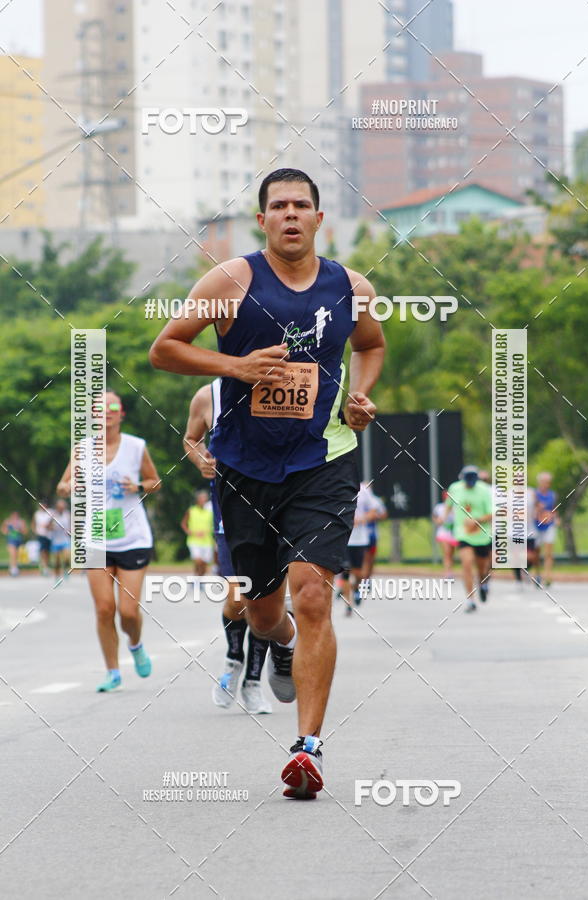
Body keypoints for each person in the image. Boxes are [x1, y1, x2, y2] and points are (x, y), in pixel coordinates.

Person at [150, 167, 384, 798]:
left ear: (318, 218)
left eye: (300, 205)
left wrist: (360, 395)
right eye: (278, 206)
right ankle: (278, 645)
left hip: (322, 462)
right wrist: (236, 366)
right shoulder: (229, 281)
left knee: (313, 596)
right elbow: (165, 349)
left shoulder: (351, 287)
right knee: (262, 612)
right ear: (262, 220)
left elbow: (371, 345)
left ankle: (308, 749)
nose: (290, 215)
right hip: (244, 468)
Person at [57, 391, 161, 692]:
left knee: (128, 612)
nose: (106, 412)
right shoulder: (82, 450)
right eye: (100, 408)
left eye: (112, 407)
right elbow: (63, 485)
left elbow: (155, 481)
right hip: (96, 538)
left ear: (121, 414)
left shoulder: (135, 446)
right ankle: (112, 671)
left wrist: (138, 485)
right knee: (104, 609)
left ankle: (135, 644)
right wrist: (68, 487)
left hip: (132, 537)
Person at [183, 378, 272, 714]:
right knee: (238, 598)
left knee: (264, 603)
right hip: (230, 513)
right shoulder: (209, 394)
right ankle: (234, 657)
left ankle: (253, 681)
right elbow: (191, 439)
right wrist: (201, 460)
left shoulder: (285, 385)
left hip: (275, 510)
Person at [445, 466, 493, 613]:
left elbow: (492, 513)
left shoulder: (484, 490)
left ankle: (483, 583)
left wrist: (476, 521)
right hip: (463, 534)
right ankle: (471, 600)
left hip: (482, 535)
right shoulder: (455, 488)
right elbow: (448, 506)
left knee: (482, 568)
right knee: (466, 563)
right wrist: (444, 518)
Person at [343, 481, 386, 615]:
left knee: (357, 572)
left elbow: (374, 512)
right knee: (345, 571)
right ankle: (348, 604)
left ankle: (356, 588)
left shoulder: (363, 490)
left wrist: (361, 519)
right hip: (342, 538)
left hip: (359, 539)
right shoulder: (337, 486)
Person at [534, 472, 560, 588]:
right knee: (536, 552)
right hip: (536, 525)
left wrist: (555, 517)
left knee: (548, 552)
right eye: (543, 482)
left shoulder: (552, 495)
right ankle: (537, 574)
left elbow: (554, 509)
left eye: (548, 482)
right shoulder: (534, 494)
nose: (546, 484)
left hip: (549, 525)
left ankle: (547, 576)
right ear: (539, 482)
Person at [180, 490, 214, 576]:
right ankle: (197, 578)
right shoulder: (191, 510)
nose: (203, 501)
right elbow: (183, 523)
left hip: (207, 541)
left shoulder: (210, 512)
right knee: (198, 561)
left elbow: (214, 525)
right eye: (201, 499)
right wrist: (189, 532)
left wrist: (208, 531)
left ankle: (198, 578)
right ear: (197, 500)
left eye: (205, 499)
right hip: (194, 541)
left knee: (204, 564)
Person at [432, 490, 458, 578]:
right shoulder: (439, 507)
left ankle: (450, 570)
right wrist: (439, 521)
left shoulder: (456, 508)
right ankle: (447, 572)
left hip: (453, 534)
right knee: (447, 552)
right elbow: (435, 518)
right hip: (443, 533)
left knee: (451, 553)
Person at [50, 498, 71, 581]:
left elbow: (71, 525)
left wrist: (70, 531)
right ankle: (57, 576)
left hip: (65, 540)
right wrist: (51, 527)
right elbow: (48, 526)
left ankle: (65, 570)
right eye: (60, 507)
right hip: (56, 541)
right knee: (57, 561)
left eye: (63, 507)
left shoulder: (67, 514)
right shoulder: (53, 515)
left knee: (67, 557)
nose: (62, 508)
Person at [2, 511, 27, 577]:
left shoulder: (21, 522)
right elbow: (3, 530)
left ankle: (13, 568)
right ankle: (14, 569)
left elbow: (25, 531)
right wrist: (7, 531)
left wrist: (19, 530)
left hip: (19, 540)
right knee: (13, 554)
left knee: (17, 555)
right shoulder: (7, 521)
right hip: (11, 540)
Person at [31, 500, 52, 576]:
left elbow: (51, 523)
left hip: (48, 535)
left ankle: (46, 565)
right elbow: (33, 523)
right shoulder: (37, 514)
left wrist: (48, 526)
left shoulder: (50, 512)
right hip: (40, 534)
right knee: (43, 550)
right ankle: (44, 566)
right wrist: (35, 531)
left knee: (47, 551)